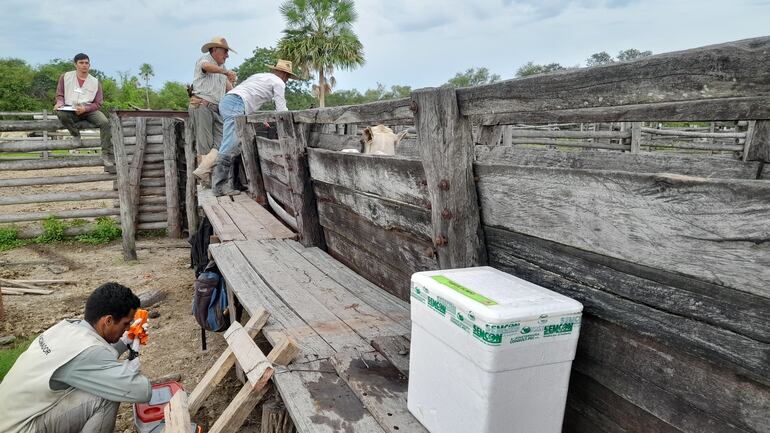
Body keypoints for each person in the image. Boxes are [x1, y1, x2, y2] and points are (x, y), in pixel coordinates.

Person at [0, 282, 152, 433]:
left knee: (103, 383)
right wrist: (133, 359)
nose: (127, 328)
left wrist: (125, 341)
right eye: (126, 323)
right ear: (108, 321)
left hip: (11, 419)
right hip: (22, 428)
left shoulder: (67, 327)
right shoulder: (89, 352)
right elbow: (141, 390)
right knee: (108, 393)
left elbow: (92, 357)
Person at [210, 59, 298, 196]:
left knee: (237, 144)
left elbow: (247, 97)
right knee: (230, 144)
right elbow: (281, 110)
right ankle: (219, 186)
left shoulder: (259, 76)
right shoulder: (279, 82)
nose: (287, 80)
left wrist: (259, 118)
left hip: (230, 101)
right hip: (236, 104)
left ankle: (234, 183)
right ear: (284, 75)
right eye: (288, 77)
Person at [190, 37, 238, 186]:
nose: (227, 55)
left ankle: (202, 172)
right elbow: (207, 67)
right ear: (214, 50)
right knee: (205, 144)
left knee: (223, 141)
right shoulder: (205, 60)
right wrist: (225, 72)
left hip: (216, 108)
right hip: (202, 106)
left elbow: (230, 90)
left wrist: (234, 82)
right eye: (225, 52)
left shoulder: (221, 71)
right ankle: (206, 182)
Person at [54, 53, 113, 169]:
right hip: (70, 108)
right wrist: (59, 103)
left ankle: (105, 154)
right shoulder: (65, 77)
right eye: (81, 63)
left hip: (89, 109)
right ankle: (75, 134)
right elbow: (60, 95)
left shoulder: (95, 82)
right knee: (60, 113)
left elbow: (98, 103)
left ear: (89, 65)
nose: (84, 65)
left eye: (86, 63)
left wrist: (85, 108)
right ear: (75, 64)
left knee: (105, 122)